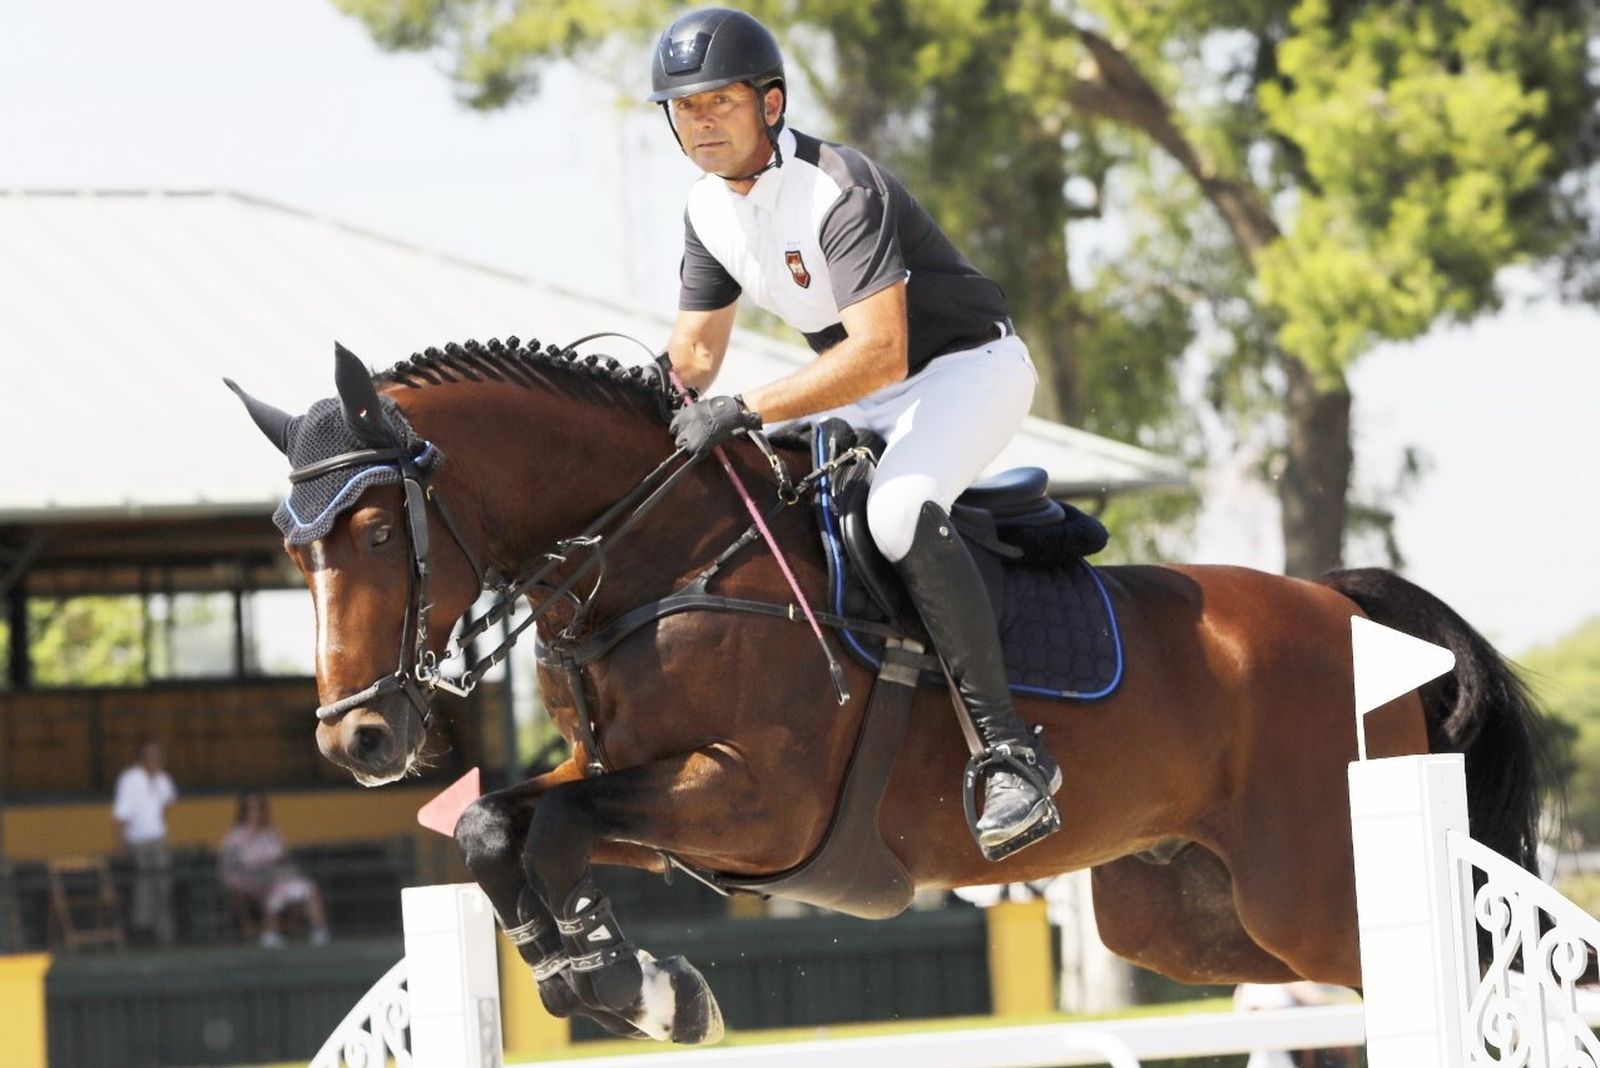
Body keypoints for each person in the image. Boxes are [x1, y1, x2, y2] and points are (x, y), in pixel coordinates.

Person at [651, 7, 1061, 859]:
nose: (699, 124)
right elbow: (693, 353)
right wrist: (643, 418)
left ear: (771, 103)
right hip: (862, 384)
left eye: (717, 103)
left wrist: (750, 408)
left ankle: (1012, 753)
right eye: (683, 109)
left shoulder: (839, 184)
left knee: (899, 511)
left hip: (963, 368)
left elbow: (882, 351)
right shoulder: (705, 209)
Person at [219, 792, 330, 946]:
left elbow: (284, 858)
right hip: (252, 884)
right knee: (275, 899)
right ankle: (270, 932)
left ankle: (318, 930)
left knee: (309, 889)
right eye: (252, 809)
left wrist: (278, 868)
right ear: (244, 811)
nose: (257, 813)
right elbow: (232, 867)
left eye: (260, 808)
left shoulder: (271, 832)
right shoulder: (235, 836)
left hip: (280, 879)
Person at [112, 738, 178, 946]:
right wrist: (121, 842)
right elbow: (121, 814)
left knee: (163, 885)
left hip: (158, 839)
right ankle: (143, 931)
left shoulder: (163, 779)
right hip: (138, 841)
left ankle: (163, 932)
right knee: (144, 886)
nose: (155, 759)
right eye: (151, 755)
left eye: (158, 755)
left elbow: (167, 803)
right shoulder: (130, 780)